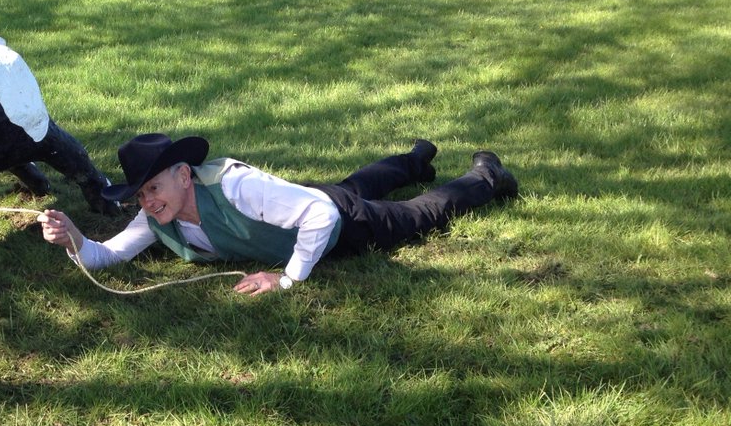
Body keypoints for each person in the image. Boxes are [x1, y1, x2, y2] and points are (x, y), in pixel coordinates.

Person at [37, 133, 517, 295]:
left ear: (184, 174)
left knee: (415, 216)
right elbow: (104, 258)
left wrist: (285, 280)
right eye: (140, 195)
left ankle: (488, 178)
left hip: (334, 221)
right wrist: (73, 238)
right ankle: (416, 158)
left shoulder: (234, 186)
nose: (148, 202)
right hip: (299, 202)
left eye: (154, 188)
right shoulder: (154, 219)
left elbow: (321, 217)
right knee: (353, 184)